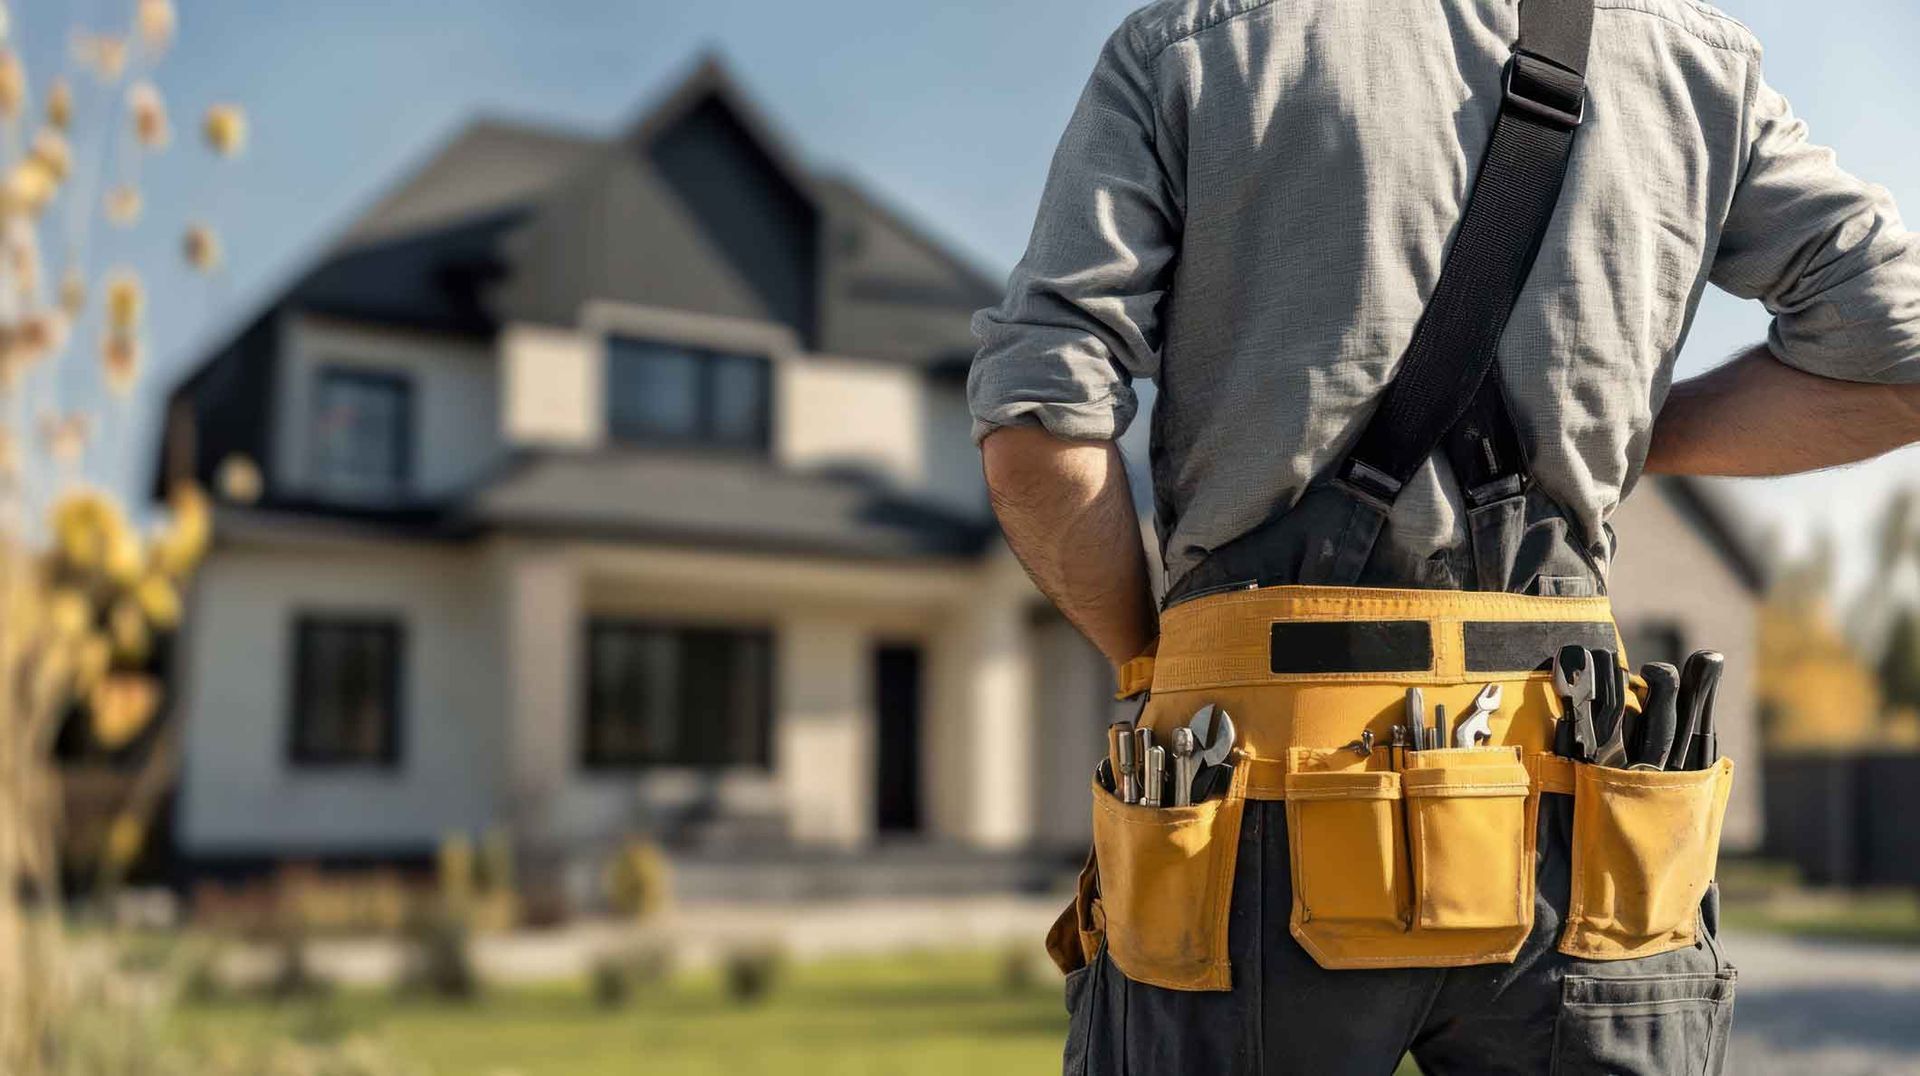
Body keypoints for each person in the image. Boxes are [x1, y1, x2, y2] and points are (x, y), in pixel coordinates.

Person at [967, 0, 1920, 1073]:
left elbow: (1039, 430)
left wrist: (1147, 659)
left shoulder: (1194, 46)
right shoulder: (1694, 59)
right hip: (1585, 799)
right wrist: (1632, 438)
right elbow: (1900, 353)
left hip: (1245, 801)